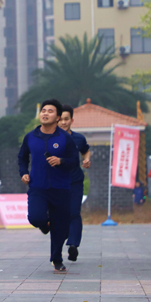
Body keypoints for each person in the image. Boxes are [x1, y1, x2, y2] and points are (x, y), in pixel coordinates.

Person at [18, 99, 80, 273]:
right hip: (37, 187)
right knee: (35, 218)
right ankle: (45, 224)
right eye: (43, 110)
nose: (45, 113)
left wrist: (61, 161)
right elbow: (22, 157)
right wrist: (23, 173)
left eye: (50, 111)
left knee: (60, 227)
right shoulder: (30, 137)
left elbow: (74, 161)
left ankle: (57, 259)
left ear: (58, 117)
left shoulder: (65, 138)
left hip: (61, 189)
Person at [58, 104, 91, 262]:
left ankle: (73, 245)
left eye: (66, 119)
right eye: (61, 119)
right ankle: (64, 235)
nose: (63, 122)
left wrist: (86, 159)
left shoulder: (79, 138)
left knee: (74, 213)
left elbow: (85, 150)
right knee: (59, 215)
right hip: (56, 183)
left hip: (75, 181)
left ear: (72, 120)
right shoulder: (49, 139)